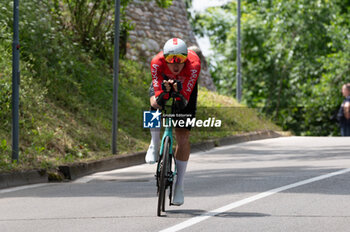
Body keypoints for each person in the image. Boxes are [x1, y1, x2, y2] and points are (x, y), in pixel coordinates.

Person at [145, 38, 201, 206]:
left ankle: (179, 186)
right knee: (154, 105)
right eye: (171, 61)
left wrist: (177, 94)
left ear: (186, 58)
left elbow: (184, 100)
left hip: (184, 88)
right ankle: (154, 144)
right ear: (164, 58)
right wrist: (164, 94)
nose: (176, 66)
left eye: (180, 61)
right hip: (163, 83)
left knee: (182, 137)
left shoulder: (194, 65)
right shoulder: (156, 62)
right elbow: (156, 99)